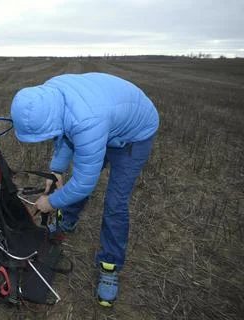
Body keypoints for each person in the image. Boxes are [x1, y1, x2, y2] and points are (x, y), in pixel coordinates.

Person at [10, 72, 159, 307]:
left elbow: (83, 183)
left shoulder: (87, 121)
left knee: (114, 204)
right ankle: (67, 221)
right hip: (104, 121)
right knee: (73, 182)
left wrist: (50, 202)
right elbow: (65, 133)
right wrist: (56, 171)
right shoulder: (51, 94)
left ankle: (109, 266)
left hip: (133, 135)